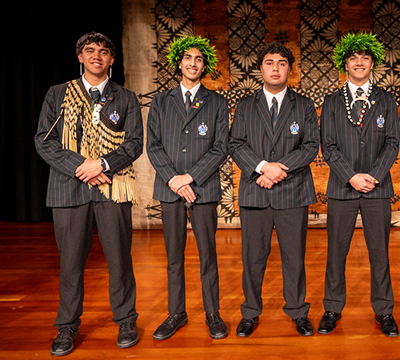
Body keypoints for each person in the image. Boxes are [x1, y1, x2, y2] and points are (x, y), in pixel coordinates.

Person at [34, 31, 142, 356]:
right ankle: (67, 327)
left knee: (120, 259)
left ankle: (125, 319)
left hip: (112, 187)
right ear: (80, 57)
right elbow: (44, 140)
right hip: (69, 188)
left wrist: (104, 164)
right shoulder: (58, 94)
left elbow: (135, 143)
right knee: (70, 264)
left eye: (104, 51)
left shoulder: (126, 97)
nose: (97, 55)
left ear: (112, 59)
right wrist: (85, 166)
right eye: (90, 50)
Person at [229, 42, 319, 338]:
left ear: (289, 70)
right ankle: (250, 312)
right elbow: (235, 144)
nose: (276, 68)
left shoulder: (304, 105)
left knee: (294, 256)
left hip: (292, 190)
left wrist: (278, 169)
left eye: (282, 63)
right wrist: (262, 167)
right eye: (270, 62)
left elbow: (310, 146)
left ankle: (298, 311)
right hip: (255, 191)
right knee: (253, 257)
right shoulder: (245, 105)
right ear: (261, 68)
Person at [146, 35, 229, 341]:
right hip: (170, 189)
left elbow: (221, 147)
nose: (193, 64)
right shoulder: (161, 100)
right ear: (179, 63)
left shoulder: (217, 102)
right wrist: (174, 179)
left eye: (199, 59)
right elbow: (152, 145)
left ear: (204, 66)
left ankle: (212, 313)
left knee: (208, 253)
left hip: (202, 188)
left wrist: (190, 177)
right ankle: (176, 313)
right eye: (188, 58)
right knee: (173, 255)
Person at [318, 33, 400, 337]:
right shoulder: (331, 101)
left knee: (380, 251)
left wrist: (374, 175)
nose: (359, 62)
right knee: (336, 251)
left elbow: (392, 143)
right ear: (345, 63)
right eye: (353, 58)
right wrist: (351, 176)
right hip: (342, 187)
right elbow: (328, 146)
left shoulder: (387, 100)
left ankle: (384, 310)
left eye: (365, 57)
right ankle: (332, 308)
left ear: (372, 63)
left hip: (378, 188)